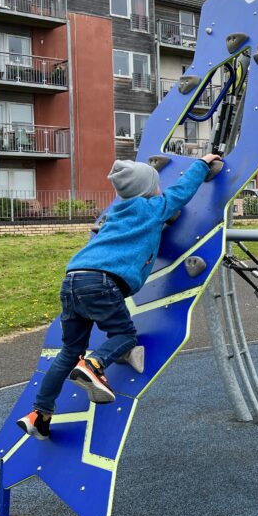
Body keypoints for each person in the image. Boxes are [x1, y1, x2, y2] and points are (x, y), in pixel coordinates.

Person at [16, 153, 221, 440]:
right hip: (102, 281)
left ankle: (39, 413)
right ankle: (94, 365)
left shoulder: (116, 214)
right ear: (149, 190)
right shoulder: (153, 208)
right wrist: (201, 164)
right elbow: (181, 192)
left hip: (72, 279)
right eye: (156, 184)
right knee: (125, 336)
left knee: (68, 352)